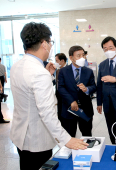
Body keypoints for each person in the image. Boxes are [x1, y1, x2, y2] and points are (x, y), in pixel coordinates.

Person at [10, 22, 88, 170]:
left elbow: (29, 92)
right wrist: (66, 139)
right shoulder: (39, 72)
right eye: (50, 42)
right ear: (44, 44)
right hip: (36, 140)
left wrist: (47, 75)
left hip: (19, 135)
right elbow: (47, 113)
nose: (51, 46)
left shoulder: (17, 65)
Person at [58, 45, 96, 137]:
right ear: (71, 58)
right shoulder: (63, 71)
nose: (82, 58)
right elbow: (61, 88)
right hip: (68, 109)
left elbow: (94, 87)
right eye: (78, 56)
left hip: (85, 109)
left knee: (87, 135)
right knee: (69, 136)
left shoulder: (88, 71)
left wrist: (87, 89)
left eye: (83, 55)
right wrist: (71, 101)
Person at [55, 53, 67, 122]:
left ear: (62, 61)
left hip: (65, 97)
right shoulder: (57, 71)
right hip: (59, 97)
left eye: (57, 61)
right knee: (60, 115)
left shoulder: (69, 70)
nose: (56, 63)